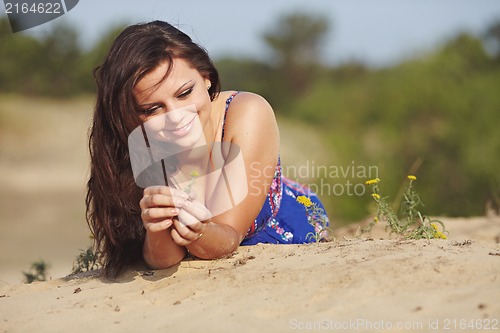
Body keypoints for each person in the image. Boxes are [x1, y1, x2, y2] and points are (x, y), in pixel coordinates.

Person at [87, 20, 330, 278]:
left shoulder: (247, 113)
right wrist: (158, 228)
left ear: (206, 77)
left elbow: (228, 237)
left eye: (184, 93)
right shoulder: (141, 145)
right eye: (152, 109)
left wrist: (198, 232)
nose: (176, 116)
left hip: (285, 241)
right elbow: (164, 260)